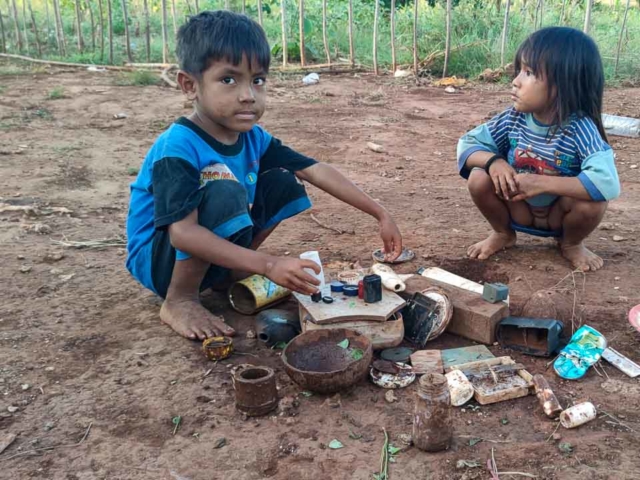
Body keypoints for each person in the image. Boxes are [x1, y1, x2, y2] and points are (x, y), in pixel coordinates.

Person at [125, 11, 403, 340]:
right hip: (160, 262)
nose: (248, 95)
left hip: (198, 247)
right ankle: (181, 299)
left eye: (257, 80)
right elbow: (182, 235)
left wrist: (379, 213)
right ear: (190, 85)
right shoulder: (179, 146)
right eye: (229, 79)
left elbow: (314, 169)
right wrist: (268, 265)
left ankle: (230, 270)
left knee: (283, 181)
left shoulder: (253, 137)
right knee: (222, 186)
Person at [457, 27, 620, 272]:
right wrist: (494, 162)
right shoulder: (513, 118)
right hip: (517, 207)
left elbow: (607, 182)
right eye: (519, 70)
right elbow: (467, 144)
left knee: (594, 203)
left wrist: (541, 183)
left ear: (563, 84)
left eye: (529, 72)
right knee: (479, 177)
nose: (516, 81)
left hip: (560, 214)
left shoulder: (580, 128)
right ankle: (503, 233)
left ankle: (571, 243)